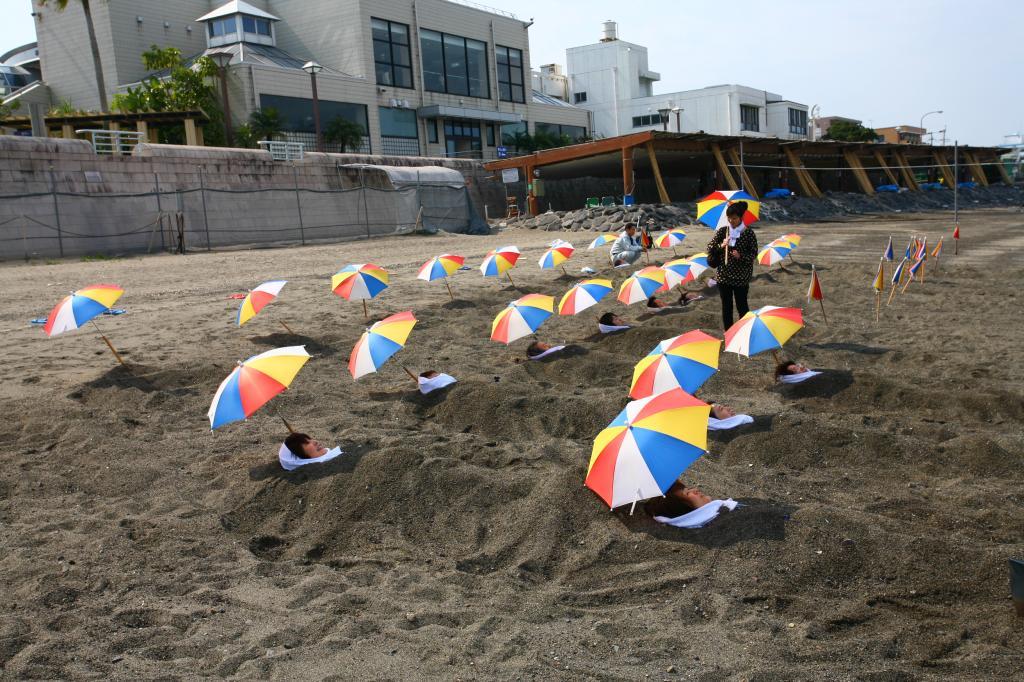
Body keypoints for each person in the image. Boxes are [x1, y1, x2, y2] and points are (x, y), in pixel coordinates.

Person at [706, 202, 758, 329]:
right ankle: (728, 332)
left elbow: (754, 254)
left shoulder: (748, 233)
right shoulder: (723, 231)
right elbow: (710, 248)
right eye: (729, 218)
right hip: (723, 276)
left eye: (734, 218)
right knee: (726, 307)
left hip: (741, 277)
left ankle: (745, 330)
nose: (731, 220)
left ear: (740, 218)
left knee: (742, 306)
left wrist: (740, 256)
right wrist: (721, 245)